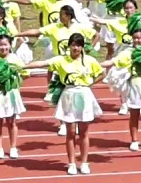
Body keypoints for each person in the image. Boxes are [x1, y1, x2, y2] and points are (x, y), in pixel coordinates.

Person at [31, 33, 104, 174]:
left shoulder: (89, 61)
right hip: (68, 95)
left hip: (84, 95)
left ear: (82, 47)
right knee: (70, 132)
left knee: (84, 132)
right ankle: (71, 163)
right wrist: (22, 66)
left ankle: (84, 162)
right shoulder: (61, 60)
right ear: (69, 46)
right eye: (73, 45)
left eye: (78, 45)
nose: (75, 48)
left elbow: (102, 73)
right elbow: (42, 63)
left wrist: (90, 83)